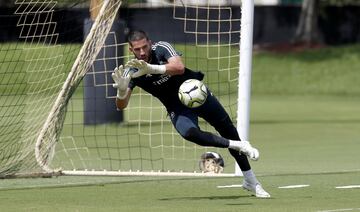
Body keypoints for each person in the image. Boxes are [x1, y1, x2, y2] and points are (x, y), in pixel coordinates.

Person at [111, 30, 270, 198]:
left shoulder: (162, 48)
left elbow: (178, 67)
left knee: (227, 128)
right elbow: (121, 105)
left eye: (145, 47)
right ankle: (236, 145)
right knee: (189, 133)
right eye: (137, 49)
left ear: (150, 43)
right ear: (130, 49)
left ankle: (251, 181)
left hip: (196, 93)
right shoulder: (131, 71)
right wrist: (122, 91)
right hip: (177, 107)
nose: (142, 52)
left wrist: (151, 68)